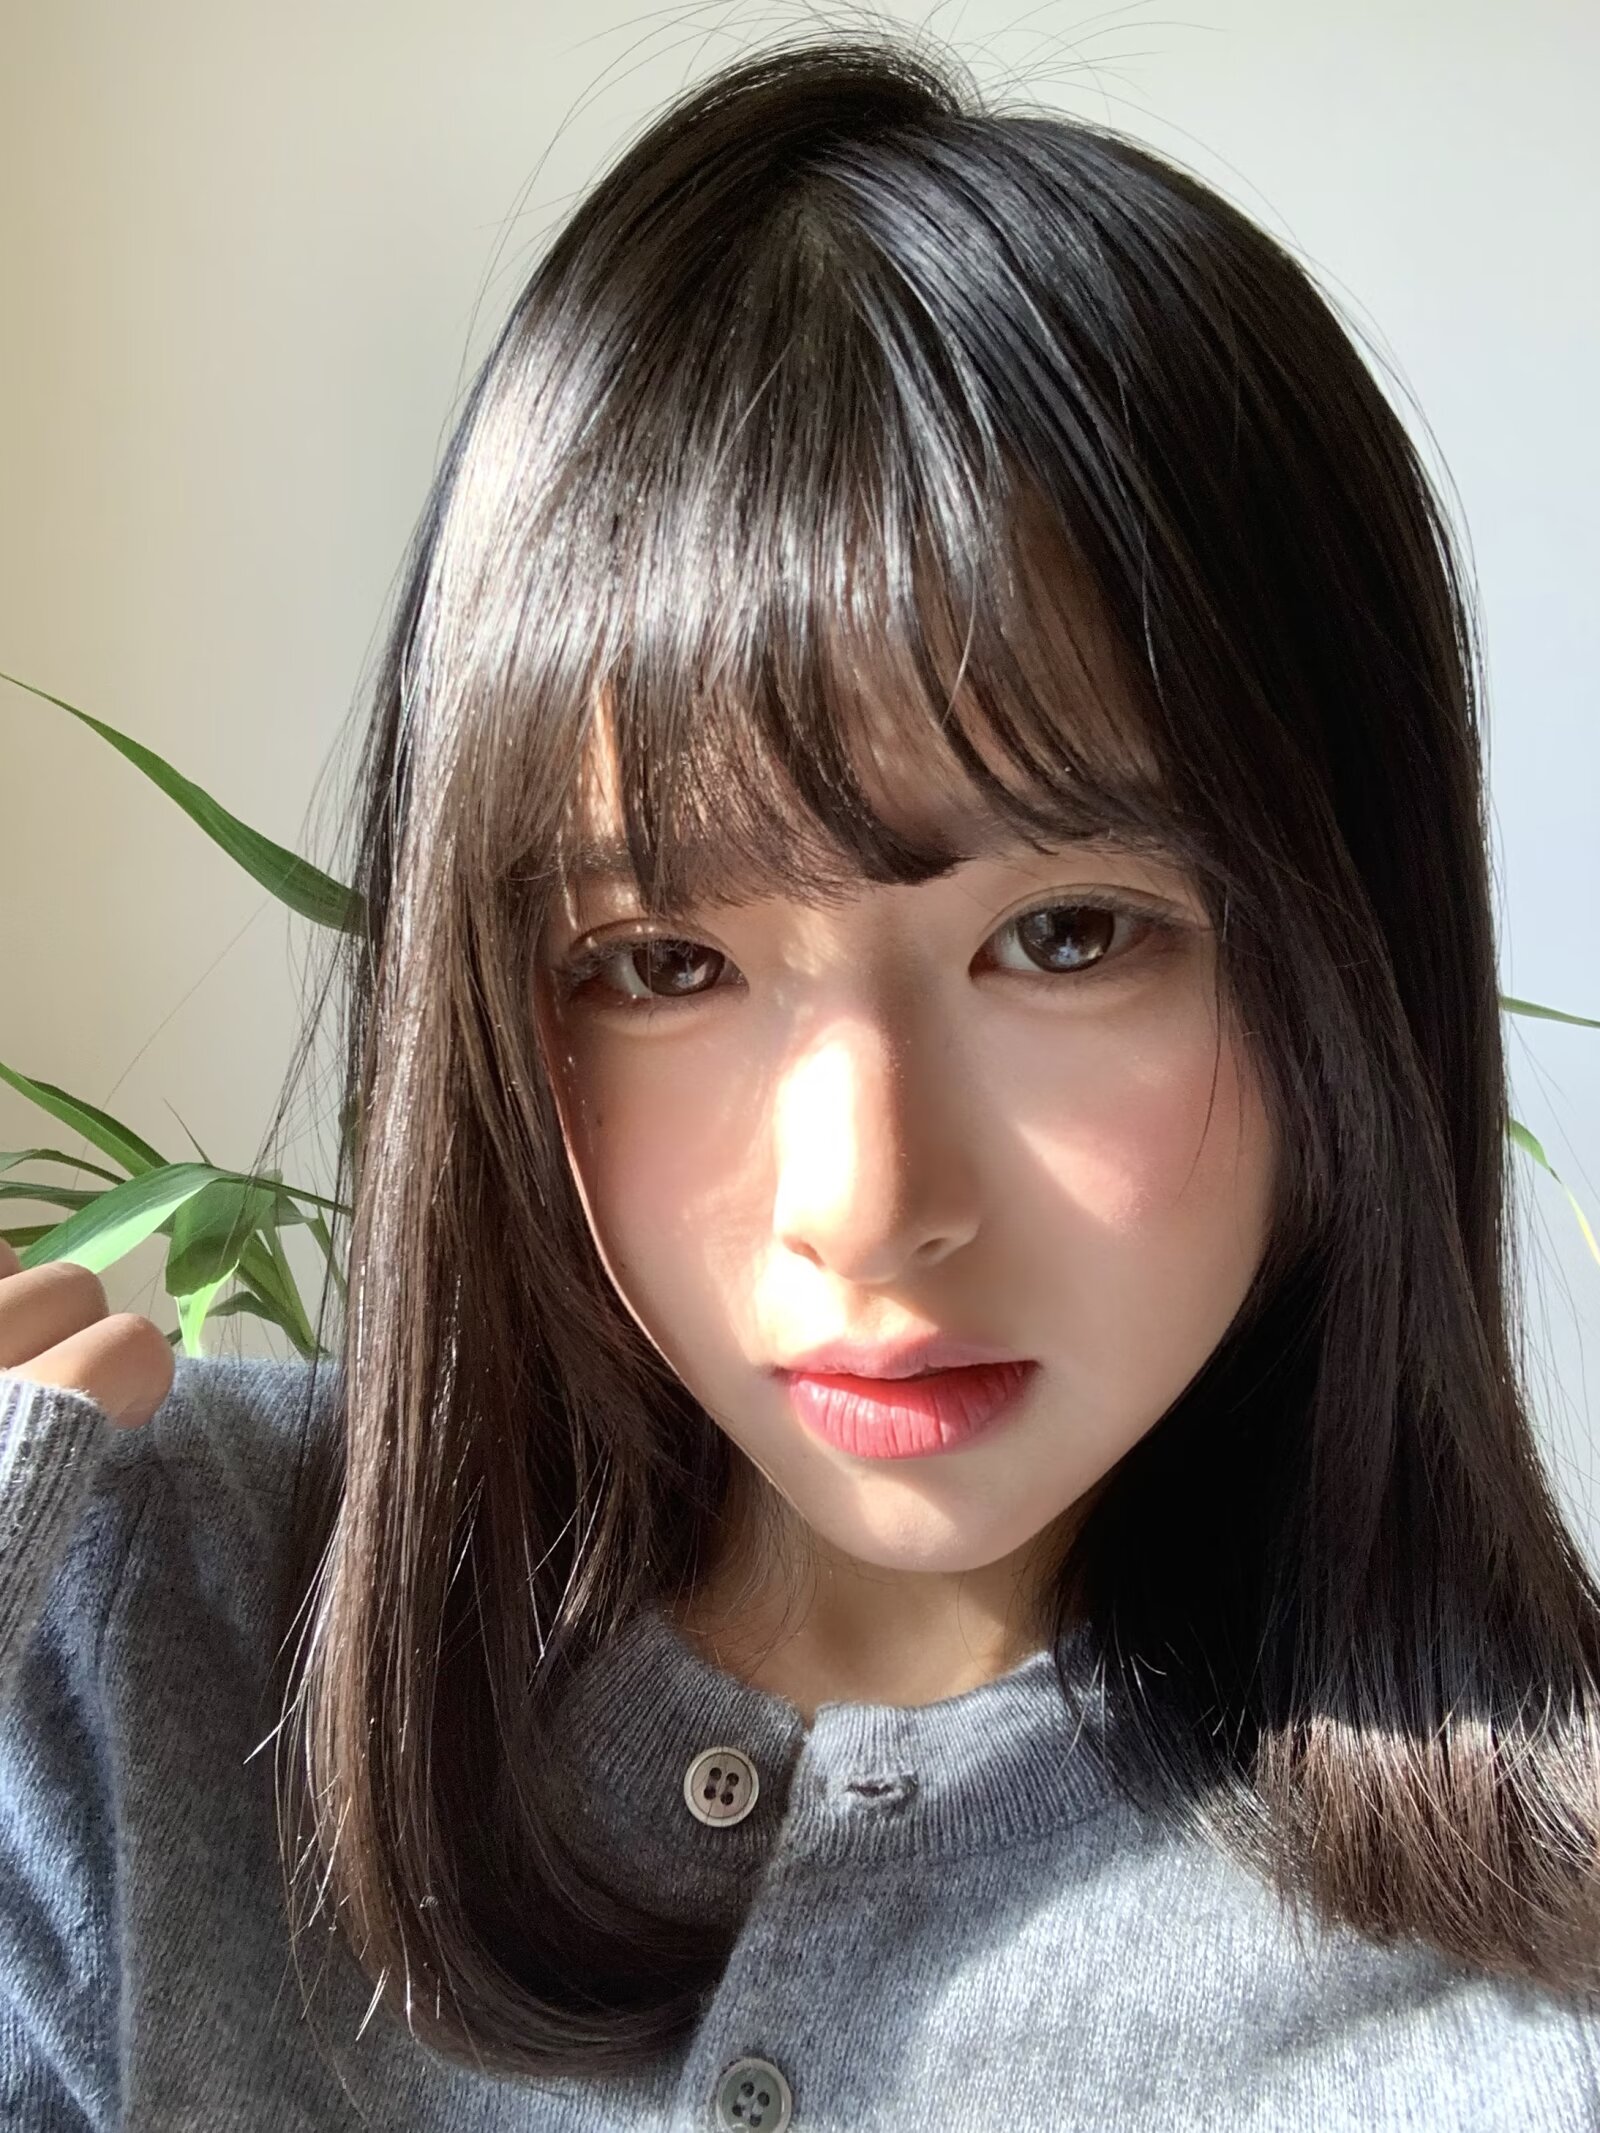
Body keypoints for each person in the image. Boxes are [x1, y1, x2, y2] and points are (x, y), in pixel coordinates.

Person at [3, 30, 1598, 2132]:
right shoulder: (131, 1639)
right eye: (664, 961)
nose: (866, 1205)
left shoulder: (1526, 2017)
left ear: (1356, 953)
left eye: (1065, 933)